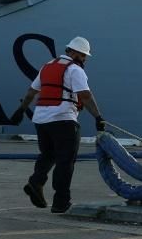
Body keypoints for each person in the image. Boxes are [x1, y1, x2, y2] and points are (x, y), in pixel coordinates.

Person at [12, 36, 106, 214]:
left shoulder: (47, 66)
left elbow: (32, 91)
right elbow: (85, 96)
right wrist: (98, 116)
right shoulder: (75, 70)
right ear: (77, 53)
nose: (85, 59)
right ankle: (61, 201)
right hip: (63, 118)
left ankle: (36, 182)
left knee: (47, 154)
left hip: (41, 119)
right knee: (65, 160)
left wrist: (21, 110)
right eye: (84, 56)